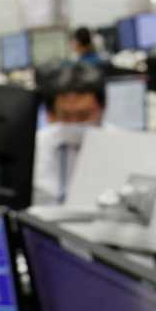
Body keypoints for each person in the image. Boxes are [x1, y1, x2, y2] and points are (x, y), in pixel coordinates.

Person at [31, 63, 106, 206]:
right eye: (65, 115)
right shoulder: (35, 146)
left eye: (83, 115)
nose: (74, 122)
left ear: (102, 109)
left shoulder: (123, 147)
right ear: (50, 115)